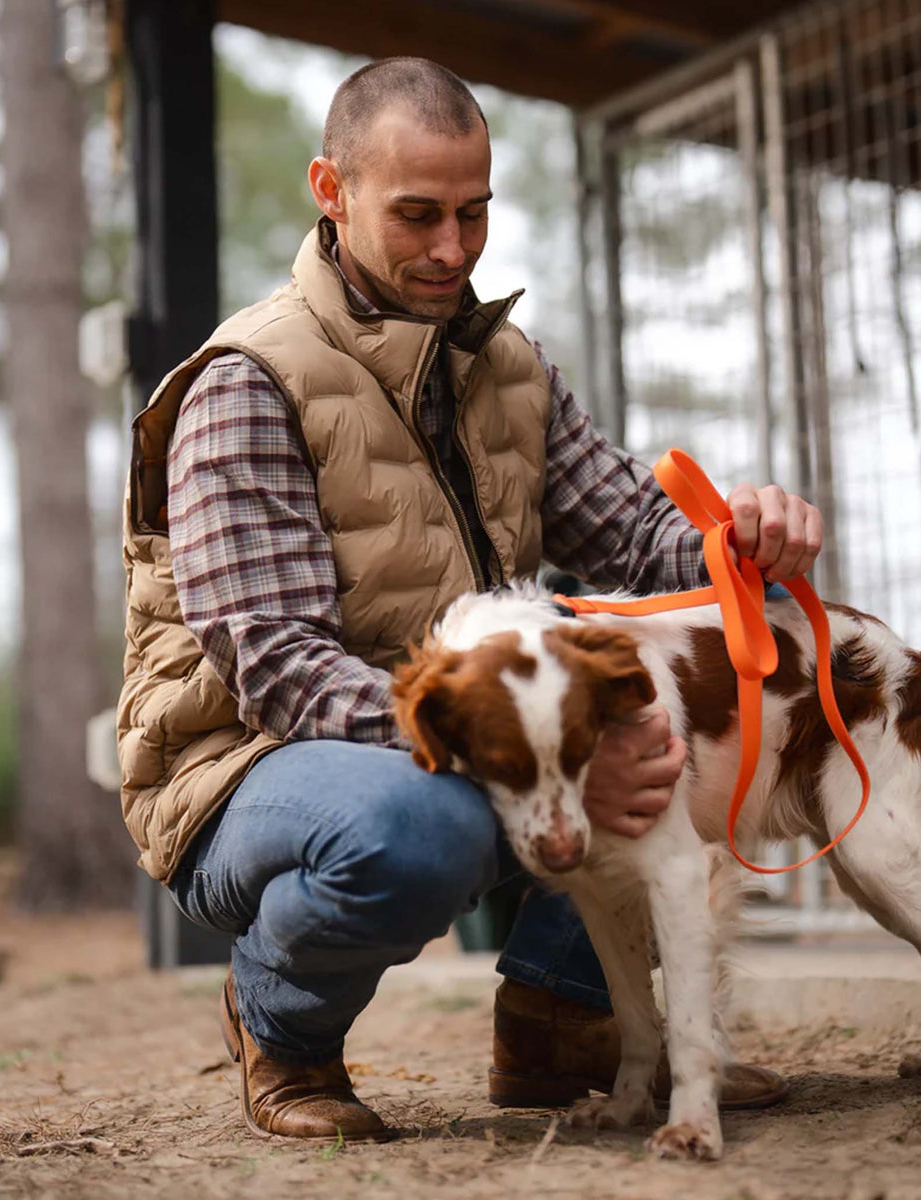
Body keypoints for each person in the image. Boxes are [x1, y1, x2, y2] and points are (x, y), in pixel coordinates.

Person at [118, 57, 823, 1141]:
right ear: (331, 188)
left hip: (460, 728)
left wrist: (741, 542)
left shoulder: (507, 367)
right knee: (423, 823)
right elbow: (277, 663)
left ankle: (560, 1018)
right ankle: (282, 1023)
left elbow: (638, 533)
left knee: (638, 713)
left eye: (473, 212)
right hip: (241, 775)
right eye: (417, 215)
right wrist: (492, 739)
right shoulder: (245, 383)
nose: (453, 249)